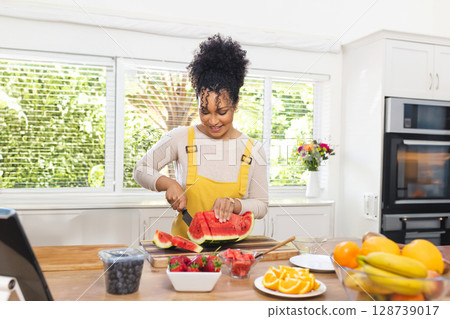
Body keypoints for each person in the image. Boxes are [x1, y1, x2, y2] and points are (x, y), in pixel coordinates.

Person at [133, 34, 268, 238]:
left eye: (222, 112)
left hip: (234, 252)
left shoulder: (253, 149)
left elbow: (261, 205)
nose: (213, 121)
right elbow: (140, 169)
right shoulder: (180, 137)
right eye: (204, 111)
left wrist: (235, 205)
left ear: (236, 104)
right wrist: (168, 183)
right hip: (185, 251)